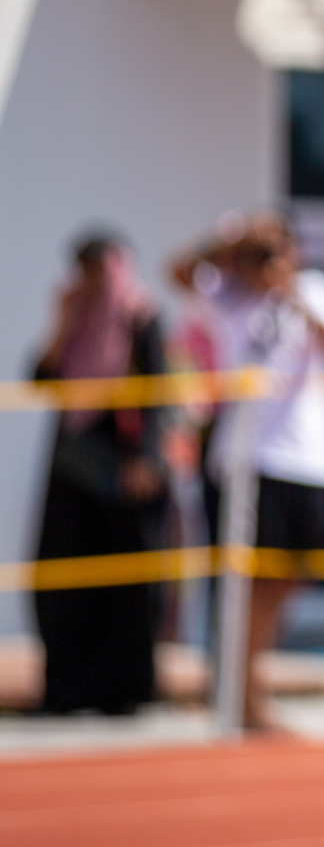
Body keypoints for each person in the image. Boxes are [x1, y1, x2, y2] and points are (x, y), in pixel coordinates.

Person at [169, 212, 324, 732]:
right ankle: (242, 694)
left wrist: (288, 288)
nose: (267, 262)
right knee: (245, 583)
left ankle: (241, 680)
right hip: (247, 459)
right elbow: (178, 271)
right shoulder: (226, 293)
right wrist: (227, 239)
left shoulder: (313, 289)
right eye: (261, 253)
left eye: (276, 250)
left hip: (311, 459)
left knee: (290, 577)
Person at [31, 229, 169, 715]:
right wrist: (63, 322)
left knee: (127, 583)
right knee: (64, 579)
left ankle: (124, 692)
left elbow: (160, 395)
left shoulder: (141, 316)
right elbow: (41, 379)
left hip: (124, 465)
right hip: (73, 466)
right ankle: (67, 690)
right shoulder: (76, 318)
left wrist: (149, 460)